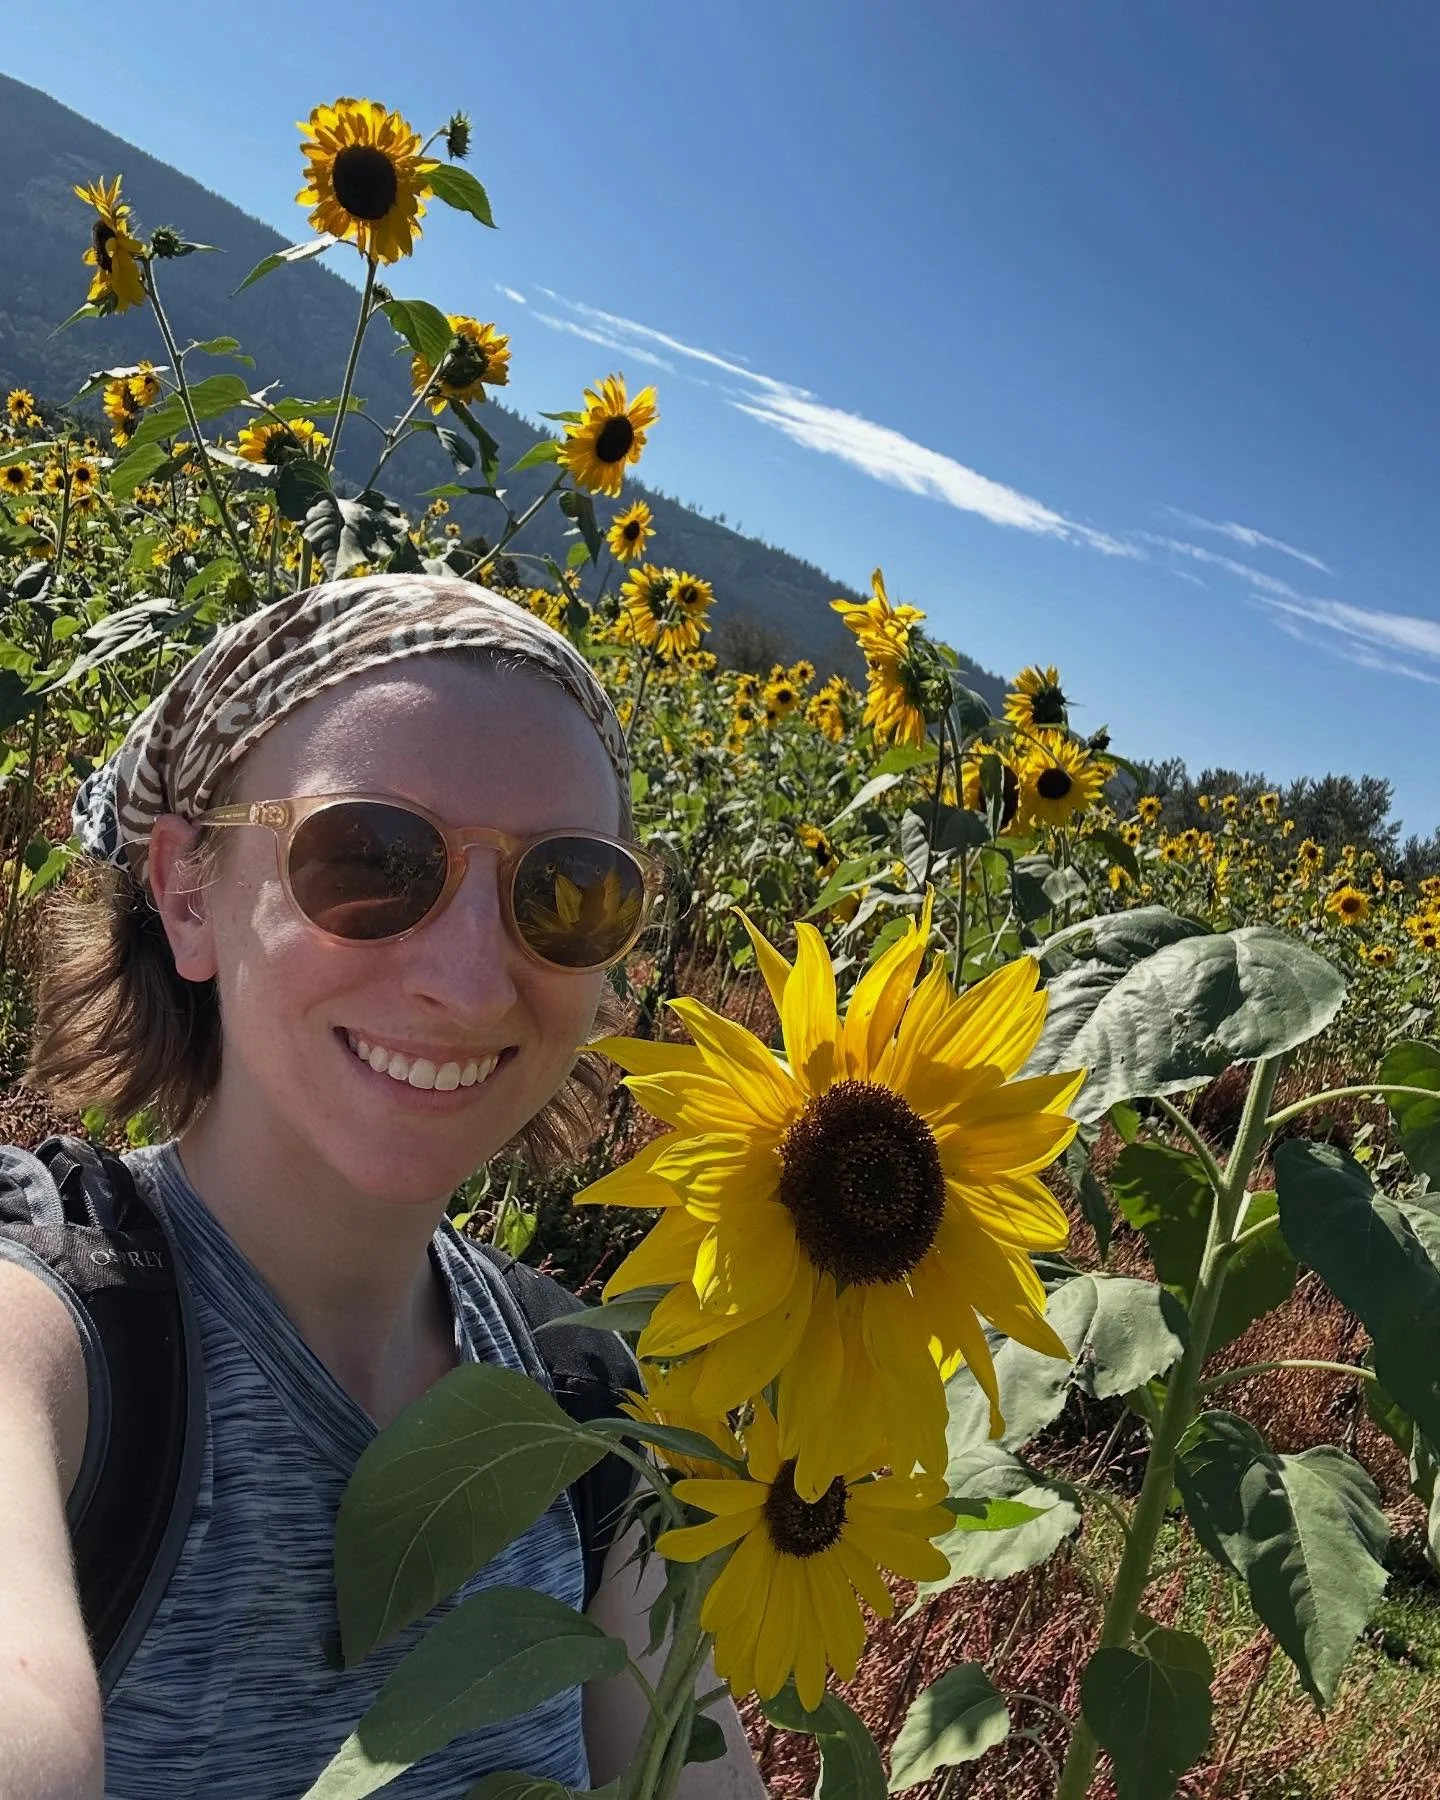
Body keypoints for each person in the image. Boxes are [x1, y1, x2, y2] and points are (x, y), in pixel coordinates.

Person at [0, 574, 766, 1799]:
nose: (469, 981)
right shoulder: (52, 1332)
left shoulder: (587, 1404)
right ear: (188, 893)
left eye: (567, 890)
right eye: (367, 856)